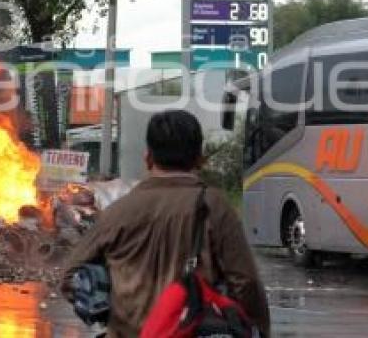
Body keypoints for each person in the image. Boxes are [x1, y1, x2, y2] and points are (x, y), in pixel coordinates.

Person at [61, 109, 270, 337]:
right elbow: (245, 282)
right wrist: (260, 328)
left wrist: (109, 312)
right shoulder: (214, 207)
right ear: (200, 159)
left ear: (148, 157)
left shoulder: (118, 212)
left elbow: (70, 277)